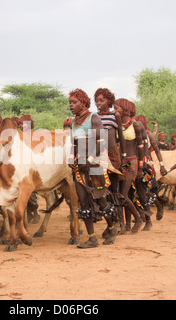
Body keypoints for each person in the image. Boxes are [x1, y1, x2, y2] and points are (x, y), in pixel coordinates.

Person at [68, 89, 116, 248]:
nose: (71, 105)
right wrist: (71, 158)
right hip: (79, 165)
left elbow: (101, 142)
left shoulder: (93, 118)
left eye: (74, 102)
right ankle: (92, 238)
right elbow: (73, 144)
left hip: (94, 164)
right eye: (70, 102)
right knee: (83, 201)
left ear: (83, 102)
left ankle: (112, 227)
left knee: (100, 198)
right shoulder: (74, 122)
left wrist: (88, 160)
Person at [94, 88, 126, 236]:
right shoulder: (93, 117)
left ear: (109, 101)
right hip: (98, 156)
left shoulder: (115, 116)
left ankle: (120, 221)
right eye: (97, 100)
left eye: (102, 100)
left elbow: (121, 136)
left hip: (112, 156)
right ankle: (111, 222)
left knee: (114, 190)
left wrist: (124, 155)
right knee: (101, 190)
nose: (98, 103)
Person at [113, 98, 145, 233]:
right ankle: (123, 225)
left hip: (131, 162)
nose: (114, 111)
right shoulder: (116, 125)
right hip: (119, 163)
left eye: (116, 108)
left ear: (125, 109)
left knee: (122, 195)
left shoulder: (136, 125)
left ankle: (138, 219)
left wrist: (141, 165)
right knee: (118, 195)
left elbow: (141, 146)